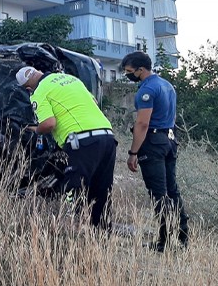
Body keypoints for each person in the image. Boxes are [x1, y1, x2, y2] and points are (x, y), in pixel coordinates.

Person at [16, 66, 116, 228]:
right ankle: (102, 231)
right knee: (101, 188)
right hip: (107, 136)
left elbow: (49, 124)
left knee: (73, 186)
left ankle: (73, 226)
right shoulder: (71, 79)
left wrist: (36, 129)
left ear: (28, 88)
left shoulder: (39, 91)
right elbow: (94, 101)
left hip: (81, 140)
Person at [122, 51, 189, 252]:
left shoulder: (148, 89)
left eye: (129, 71)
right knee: (172, 191)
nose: (127, 75)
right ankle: (183, 237)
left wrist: (133, 152)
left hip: (153, 142)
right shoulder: (167, 85)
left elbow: (142, 123)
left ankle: (164, 241)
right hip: (169, 139)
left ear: (141, 70)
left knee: (158, 194)